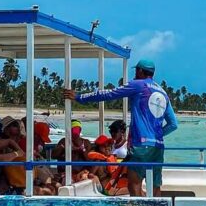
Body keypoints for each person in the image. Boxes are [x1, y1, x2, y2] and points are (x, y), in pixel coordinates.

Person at [65, 59, 177, 195]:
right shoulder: (163, 92)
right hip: (158, 147)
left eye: (136, 71)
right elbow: (173, 124)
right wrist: (155, 136)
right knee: (155, 187)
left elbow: (109, 94)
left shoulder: (138, 85)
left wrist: (79, 97)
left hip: (141, 146)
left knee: (134, 184)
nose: (135, 74)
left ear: (140, 71)